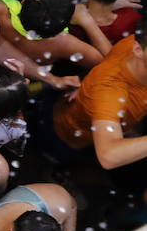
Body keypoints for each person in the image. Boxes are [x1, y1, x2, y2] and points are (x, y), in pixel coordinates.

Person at [53, 29, 147, 187]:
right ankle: (60, 176)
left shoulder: (137, 44)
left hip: (116, 124)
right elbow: (108, 156)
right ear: (137, 49)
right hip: (70, 136)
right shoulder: (109, 91)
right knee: (72, 165)